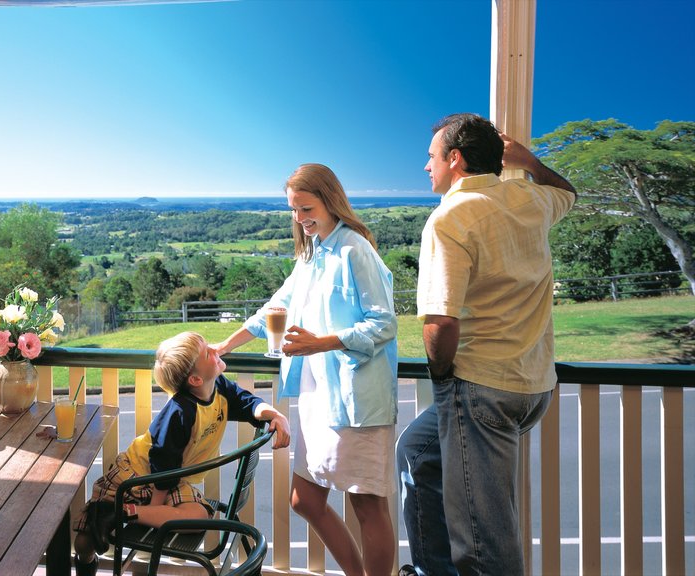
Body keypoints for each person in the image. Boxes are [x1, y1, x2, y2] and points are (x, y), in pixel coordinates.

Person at [397, 113, 576, 576]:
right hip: (532, 385)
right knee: (416, 453)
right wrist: (527, 161)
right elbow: (568, 192)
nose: (425, 166)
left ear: (455, 159)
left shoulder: (450, 218)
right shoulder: (529, 197)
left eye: (431, 156)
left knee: (482, 540)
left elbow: (439, 321)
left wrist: (442, 381)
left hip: (480, 389)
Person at [212, 163, 399, 576]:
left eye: (306, 208)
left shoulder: (355, 249)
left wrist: (321, 342)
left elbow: (383, 322)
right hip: (317, 399)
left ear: (331, 201)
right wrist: (225, 344)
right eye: (294, 210)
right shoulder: (311, 256)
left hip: (356, 398)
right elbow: (273, 310)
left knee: (368, 504)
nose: (300, 219)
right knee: (305, 500)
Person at [72, 331, 290, 576]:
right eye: (208, 352)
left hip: (172, 478)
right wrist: (156, 505)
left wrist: (275, 415)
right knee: (83, 543)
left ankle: (122, 513)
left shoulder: (219, 388)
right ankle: (99, 529)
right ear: (196, 379)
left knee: (198, 515)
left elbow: (247, 402)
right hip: (136, 476)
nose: (215, 350)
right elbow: (161, 462)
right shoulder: (179, 412)